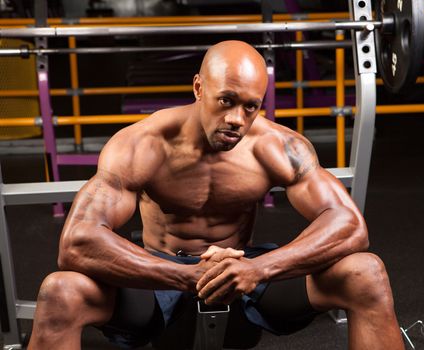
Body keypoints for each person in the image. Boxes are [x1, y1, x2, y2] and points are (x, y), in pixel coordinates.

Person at [27, 40, 404, 350]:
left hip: (246, 282)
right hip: (159, 280)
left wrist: (258, 268)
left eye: (251, 107)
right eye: (226, 100)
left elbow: (350, 226)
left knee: (365, 272)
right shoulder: (143, 145)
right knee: (60, 292)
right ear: (198, 88)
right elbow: (77, 242)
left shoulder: (276, 146)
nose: (237, 119)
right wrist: (184, 276)